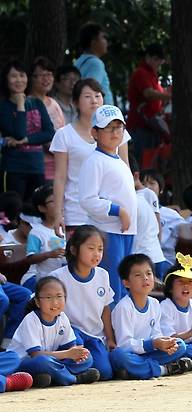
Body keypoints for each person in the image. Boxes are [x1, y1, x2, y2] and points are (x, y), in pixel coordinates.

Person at [51, 78, 130, 236]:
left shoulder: (118, 131)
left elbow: (125, 168)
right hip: (77, 212)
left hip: (112, 212)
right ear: (75, 102)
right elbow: (60, 177)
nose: (94, 101)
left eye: (98, 95)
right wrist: (58, 213)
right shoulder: (64, 135)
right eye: (87, 96)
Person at [78, 105, 137, 305]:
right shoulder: (94, 161)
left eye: (119, 127)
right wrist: (117, 211)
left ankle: (122, 330)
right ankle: (109, 331)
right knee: (111, 286)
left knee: (123, 283)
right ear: (95, 132)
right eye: (108, 128)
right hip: (108, 232)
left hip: (125, 233)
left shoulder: (119, 161)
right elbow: (87, 199)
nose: (115, 132)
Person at [109, 254, 192, 379]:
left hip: (149, 353)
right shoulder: (124, 307)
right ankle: (163, 369)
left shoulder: (154, 304)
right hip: (132, 354)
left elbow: (156, 333)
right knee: (119, 355)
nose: (145, 278)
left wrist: (165, 343)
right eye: (138, 275)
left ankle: (137, 370)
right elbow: (124, 344)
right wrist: (152, 344)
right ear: (126, 283)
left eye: (149, 273)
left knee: (179, 344)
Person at [9, 276, 101, 387]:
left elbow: (71, 347)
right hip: (26, 362)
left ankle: (52, 376)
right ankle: (74, 378)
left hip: (52, 360)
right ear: (38, 302)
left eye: (59, 296)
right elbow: (36, 355)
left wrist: (77, 354)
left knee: (87, 358)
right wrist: (68, 354)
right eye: (48, 297)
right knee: (42, 361)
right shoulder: (31, 319)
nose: (55, 302)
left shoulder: (62, 317)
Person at [50, 225, 116, 381]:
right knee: (84, 358)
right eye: (91, 248)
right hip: (70, 332)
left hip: (94, 336)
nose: (96, 254)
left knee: (105, 372)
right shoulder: (58, 277)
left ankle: (74, 373)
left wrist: (110, 338)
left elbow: (105, 310)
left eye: (100, 249)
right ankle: (54, 370)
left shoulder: (103, 275)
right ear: (74, 250)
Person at [0, 60, 54, 201]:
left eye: (22, 75)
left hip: (36, 167)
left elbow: (49, 133)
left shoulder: (37, 103)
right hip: (13, 168)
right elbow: (19, 133)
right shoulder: (3, 107)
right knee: (13, 213)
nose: (19, 80)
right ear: (6, 80)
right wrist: (20, 104)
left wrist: (26, 140)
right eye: (14, 76)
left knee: (36, 213)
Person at [126, 43, 171, 165]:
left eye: (160, 60)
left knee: (150, 161)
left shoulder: (152, 75)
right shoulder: (141, 73)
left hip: (151, 127)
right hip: (141, 125)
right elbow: (148, 93)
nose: (158, 63)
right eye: (156, 59)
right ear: (148, 57)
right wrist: (170, 96)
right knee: (142, 161)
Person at [24, 184, 67, 289]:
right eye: (53, 201)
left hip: (65, 278)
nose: (59, 204)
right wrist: (49, 254)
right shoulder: (37, 232)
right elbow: (30, 258)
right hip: (45, 280)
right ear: (42, 208)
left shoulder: (67, 227)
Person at [29, 57, 64, 180]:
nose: (46, 79)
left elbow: (62, 132)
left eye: (49, 74)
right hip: (36, 165)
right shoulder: (27, 103)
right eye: (41, 75)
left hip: (58, 165)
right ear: (31, 78)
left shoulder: (54, 103)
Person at [74, 22, 113, 105]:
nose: (106, 42)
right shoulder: (95, 64)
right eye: (103, 38)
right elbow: (92, 91)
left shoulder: (79, 61)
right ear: (93, 43)